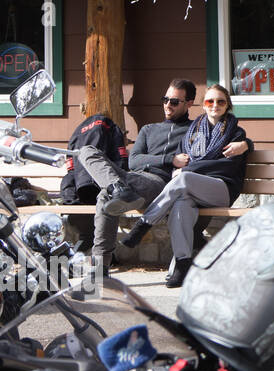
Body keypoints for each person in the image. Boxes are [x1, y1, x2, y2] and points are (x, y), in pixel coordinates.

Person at [124, 84, 253, 288]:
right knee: (180, 205)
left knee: (183, 179)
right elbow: (184, 161)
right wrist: (186, 169)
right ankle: (182, 264)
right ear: (203, 105)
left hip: (222, 188)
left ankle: (145, 223)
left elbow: (224, 166)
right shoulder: (192, 132)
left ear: (228, 105)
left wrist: (191, 169)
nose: (215, 105)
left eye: (221, 101)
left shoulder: (236, 133)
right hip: (194, 189)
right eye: (210, 101)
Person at [72, 79, 211, 268]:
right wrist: (170, 159)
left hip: (160, 184)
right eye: (165, 99)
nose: (168, 105)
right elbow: (134, 160)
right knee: (85, 151)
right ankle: (117, 187)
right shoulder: (148, 129)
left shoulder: (194, 129)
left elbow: (225, 132)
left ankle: (99, 267)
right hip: (133, 178)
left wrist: (245, 144)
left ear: (189, 104)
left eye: (174, 101)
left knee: (105, 195)